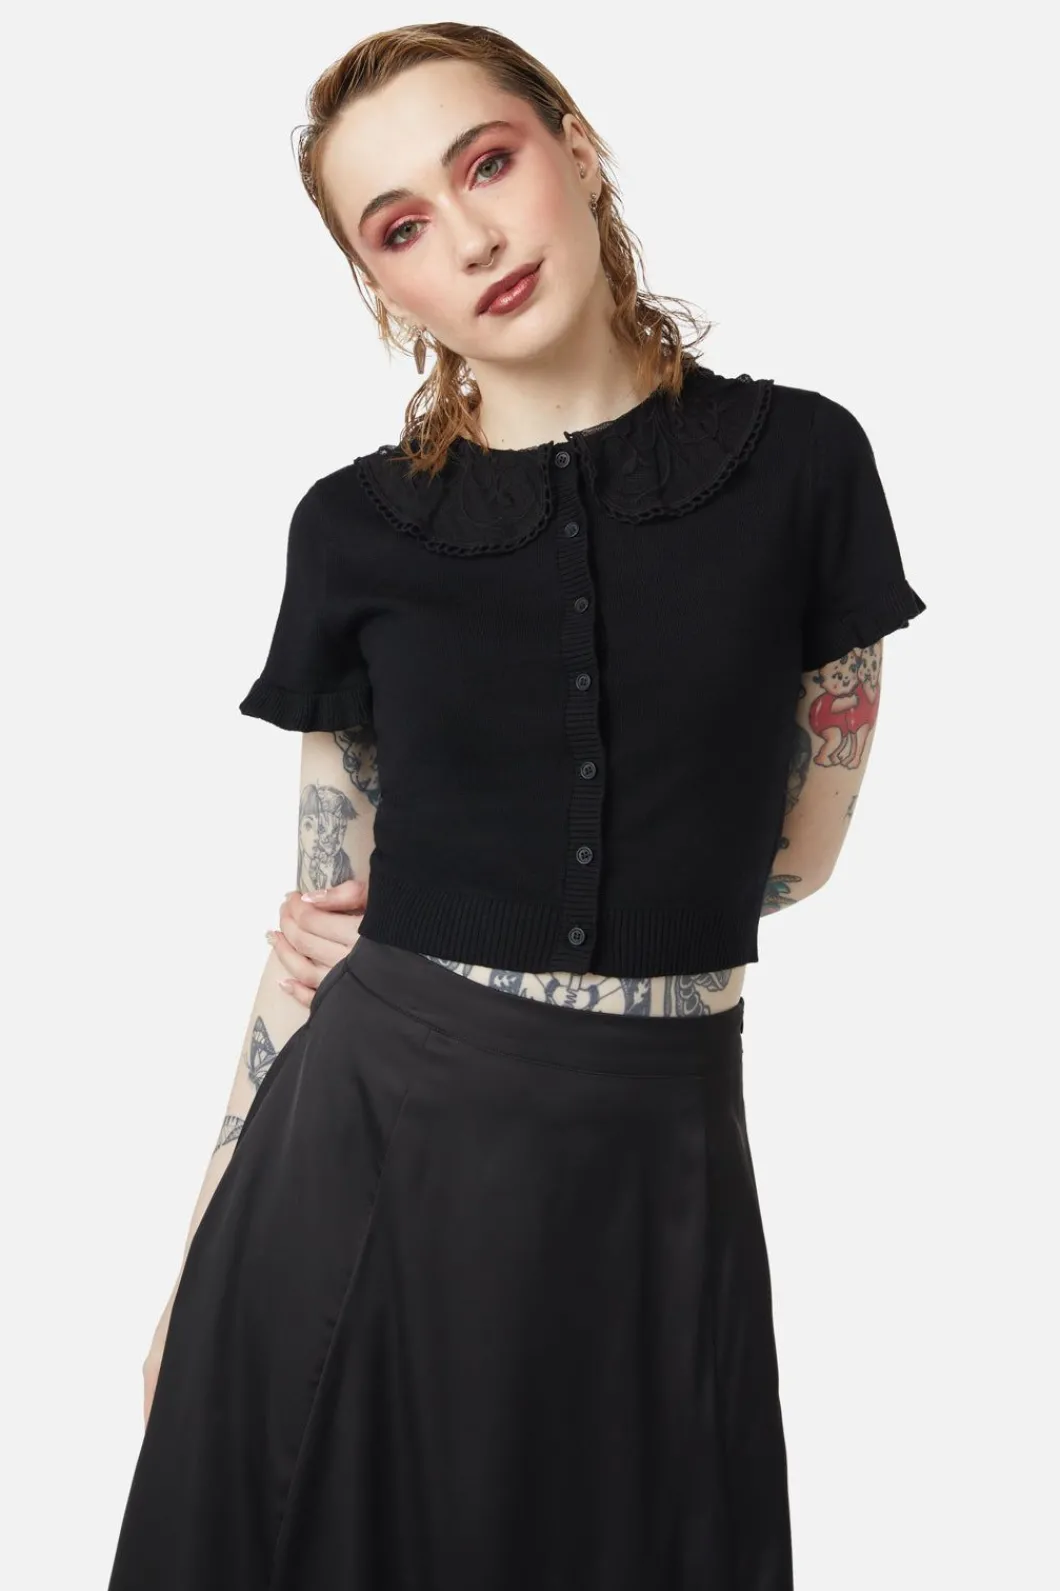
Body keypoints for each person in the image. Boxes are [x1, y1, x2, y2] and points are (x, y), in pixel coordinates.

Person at [107, 21, 927, 1591]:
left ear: (576, 145)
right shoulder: (352, 530)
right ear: (379, 285)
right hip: (367, 1154)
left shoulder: (807, 466)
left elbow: (797, 859)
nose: (472, 238)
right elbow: (312, 934)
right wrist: (197, 1246)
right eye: (401, 225)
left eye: (486, 162)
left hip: (659, 1163)